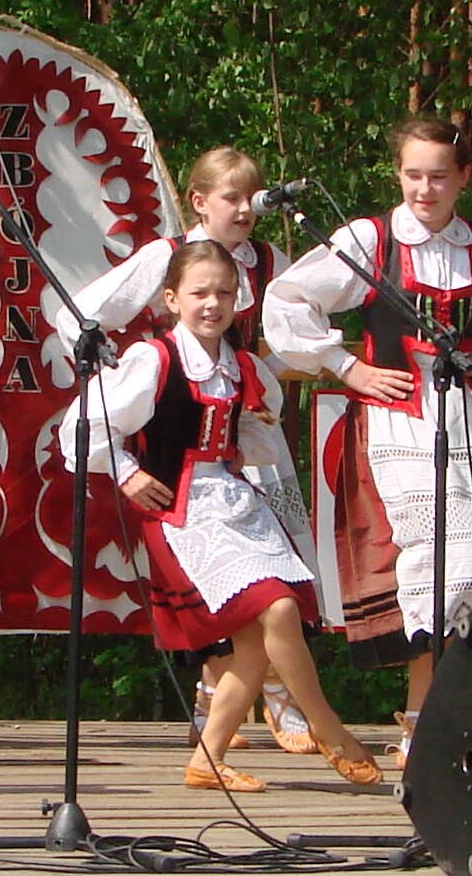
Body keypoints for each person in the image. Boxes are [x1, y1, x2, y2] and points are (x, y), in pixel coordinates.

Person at [263, 117, 472, 763]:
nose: (425, 188)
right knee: (428, 559)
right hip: (396, 418)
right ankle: (423, 721)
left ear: (464, 178)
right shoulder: (371, 238)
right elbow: (287, 299)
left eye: (439, 176)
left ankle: (452, 714)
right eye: (414, 174)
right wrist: (347, 365)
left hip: (462, 412)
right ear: (398, 175)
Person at [76, 241, 383, 792]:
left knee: (252, 640)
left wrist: (248, 429)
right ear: (172, 299)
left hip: (234, 500)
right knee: (280, 606)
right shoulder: (155, 359)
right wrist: (127, 473)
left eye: (224, 292)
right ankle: (331, 729)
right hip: (180, 510)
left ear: (239, 299)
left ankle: (207, 760)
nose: (212, 303)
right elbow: (85, 424)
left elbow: (253, 436)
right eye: (199, 293)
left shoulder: (241, 366)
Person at [69, 146, 321, 755]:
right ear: (199, 200)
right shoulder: (167, 256)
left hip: (245, 429)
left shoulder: (268, 263)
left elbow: (296, 335)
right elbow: (78, 315)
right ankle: (222, 703)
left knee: (277, 570)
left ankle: (275, 699)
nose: (244, 209)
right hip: (181, 442)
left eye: (250, 197)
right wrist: (125, 370)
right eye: (230, 197)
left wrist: (263, 373)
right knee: (222, 582)